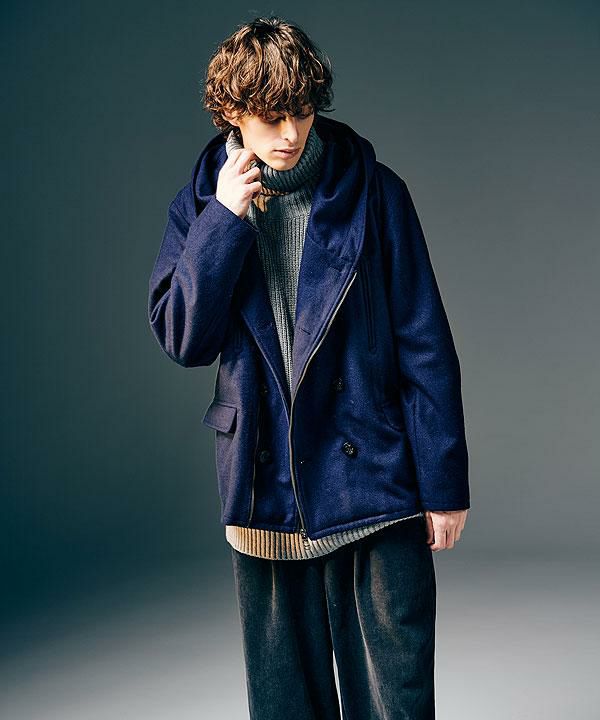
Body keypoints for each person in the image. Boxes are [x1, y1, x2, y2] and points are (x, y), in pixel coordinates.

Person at [148, 15, 470, 720]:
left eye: (301, 111)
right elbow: (182, 337)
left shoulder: (376, 193)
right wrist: (223, 222)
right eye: (271, 118)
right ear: (232, 115)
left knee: (396, 698)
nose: (291, 133)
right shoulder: (200, 205)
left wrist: (444, 486)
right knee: (286, 705)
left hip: (374, 480)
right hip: (264, 485)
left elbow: (425, 342)